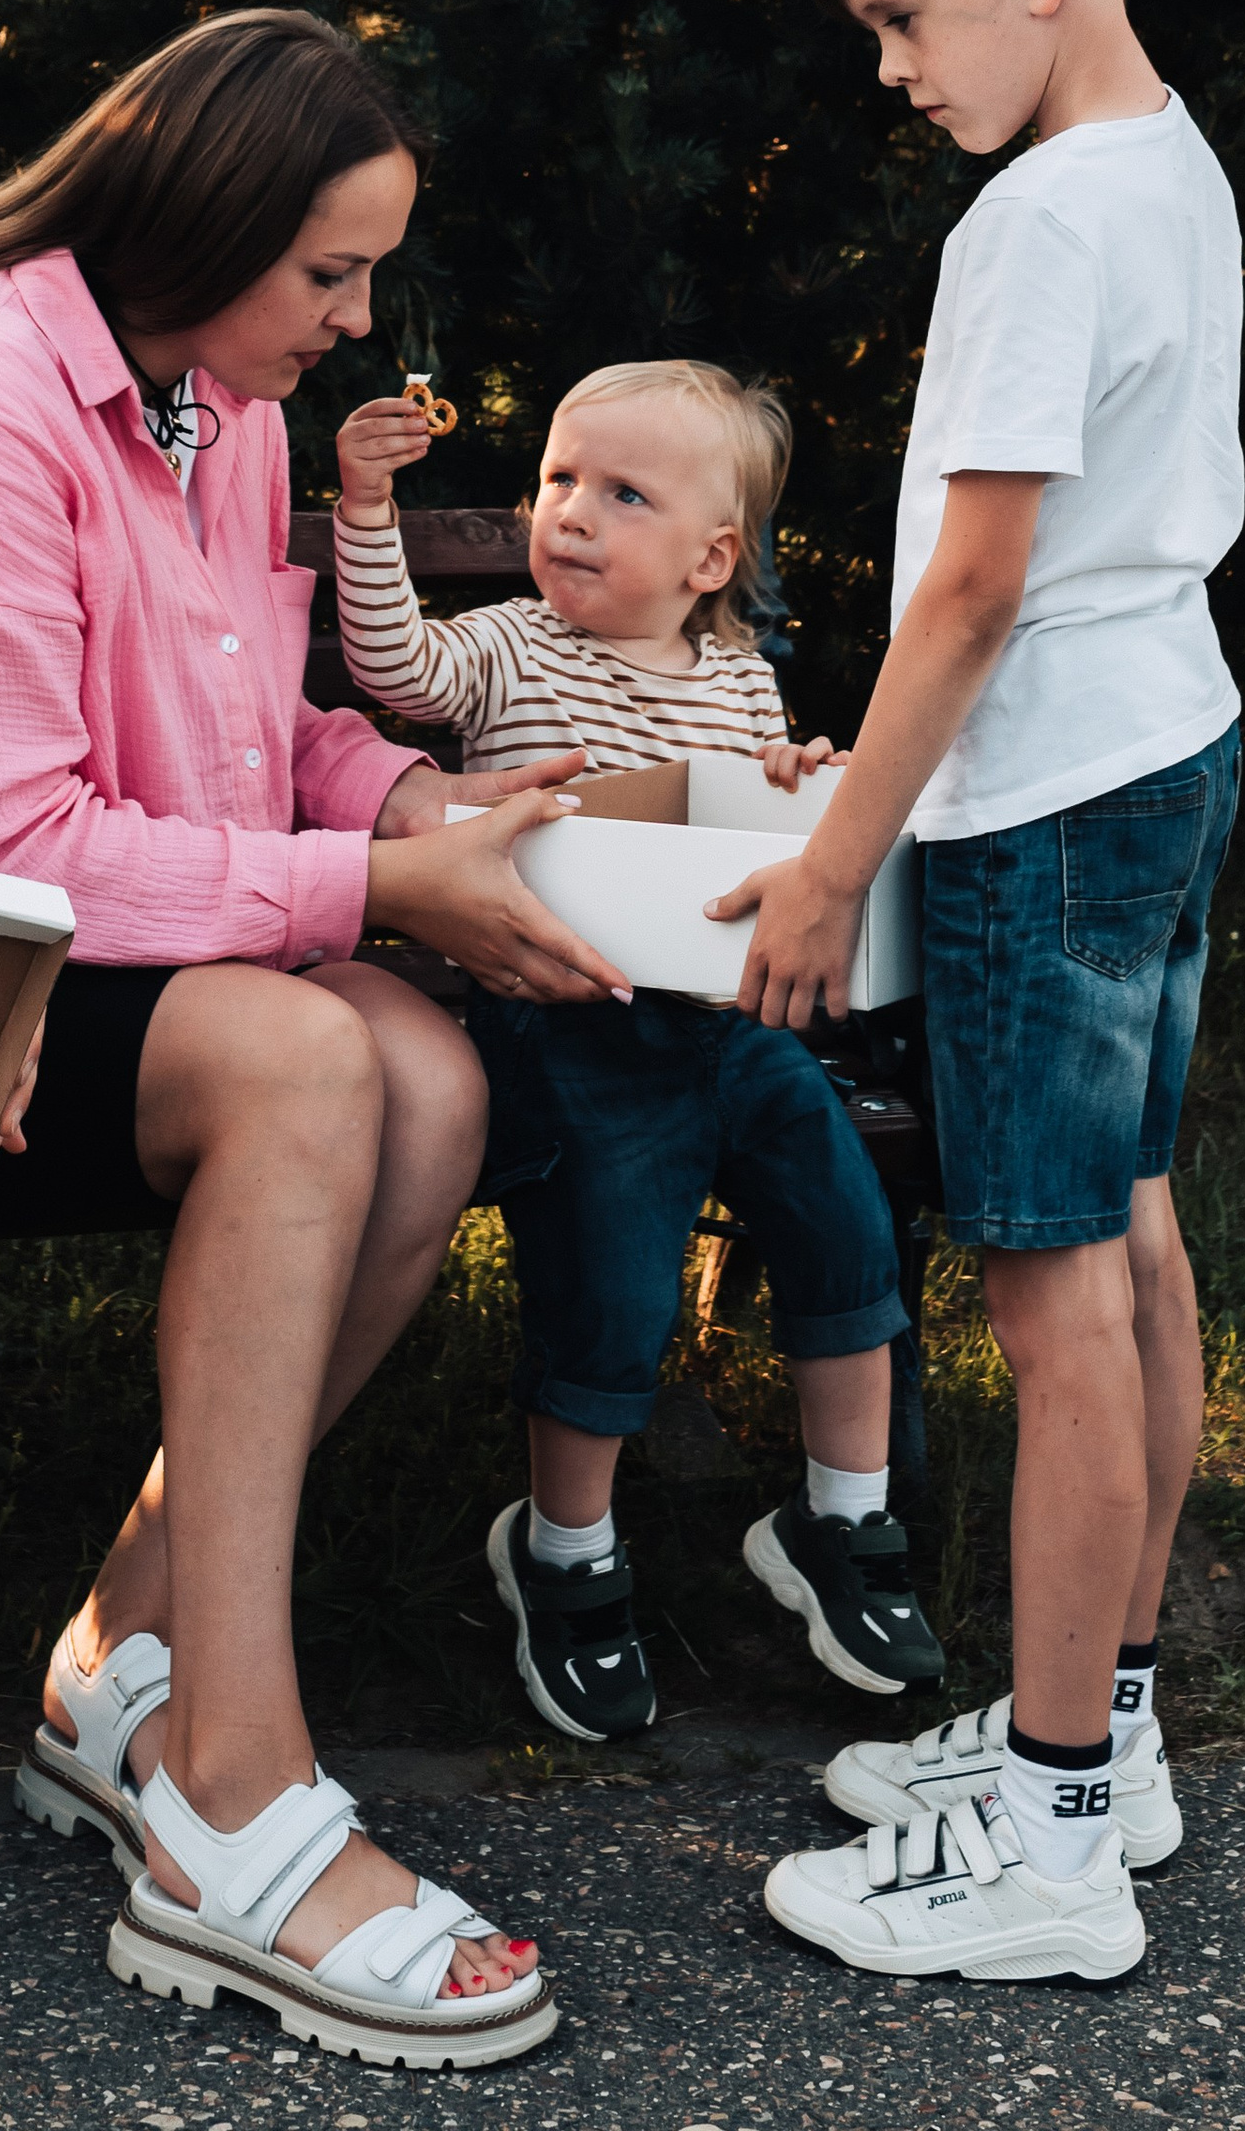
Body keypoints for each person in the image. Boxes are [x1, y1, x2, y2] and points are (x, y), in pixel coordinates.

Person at [0, 10, 624, 2069]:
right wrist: (372, 896)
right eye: (327, 271)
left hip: (104, 951)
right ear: (201, 222)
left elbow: (253, 721)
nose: (358, 317)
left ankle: (119, 1653)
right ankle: (228, 1791)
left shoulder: (198, 398)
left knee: (427, 1074)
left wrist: (406, 808)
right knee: (324, 1059)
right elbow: (9, 850)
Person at [721, 0, 1242, 1987]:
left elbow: (969, 591)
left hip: (1042, 800)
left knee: (1046, 1298)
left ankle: (1042, 1849)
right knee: (1123, 1234)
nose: (891, 67)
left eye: (905, 18)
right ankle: (1097, 1737)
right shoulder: (1162, 151)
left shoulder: (1031, 220)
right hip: (1164, 743)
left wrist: (836, 858)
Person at [333, 357, 944, 1742]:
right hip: (567, 1023)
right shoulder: (507, 645)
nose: (571, 513)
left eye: (622, 492)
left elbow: (759, 822)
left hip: (726, 1027)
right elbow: (392, 664)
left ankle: (843, 1522)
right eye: (558, 480)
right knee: (612, 1281)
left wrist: (802, 780)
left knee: (843, 1214)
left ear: (710, 554)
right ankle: (564, 1549)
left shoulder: (735, 682)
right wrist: (368, 505)